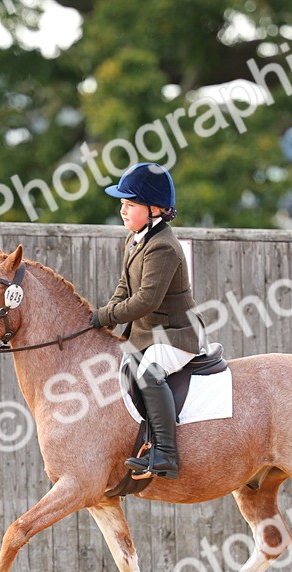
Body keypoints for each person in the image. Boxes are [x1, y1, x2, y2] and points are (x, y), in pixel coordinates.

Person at [90, 162, 205, 480]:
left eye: (130, 204)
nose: (122, 210)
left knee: (148, 372)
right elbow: (124, 288)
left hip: (175, 335)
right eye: (122, 204)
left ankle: (166, 453)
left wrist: (103, 315)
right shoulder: (136, 239)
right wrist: (105, 323)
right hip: (148, 334)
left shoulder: (163, 247)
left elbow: (145, 302)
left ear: (155, 209)